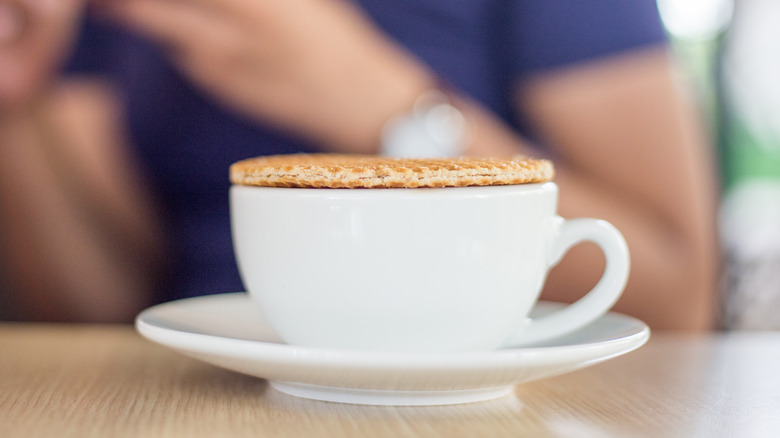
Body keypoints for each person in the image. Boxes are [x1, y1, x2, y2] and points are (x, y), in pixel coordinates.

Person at [0, 0, 718, 329]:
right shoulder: (105, 17)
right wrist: (16, 100)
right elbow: (98, 314)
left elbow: (676, 290)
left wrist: (385, 105)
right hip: (197, 393)